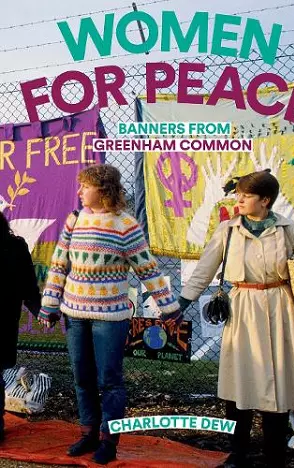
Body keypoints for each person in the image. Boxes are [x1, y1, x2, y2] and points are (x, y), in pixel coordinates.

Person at [178, 170, 294, 468]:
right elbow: (204, 268)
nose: (239, 199)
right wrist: (182, 302)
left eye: (247, 195)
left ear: (265, 200)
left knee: (278, 380)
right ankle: (238, 452)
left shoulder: (287, 229)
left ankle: (274, 455)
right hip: (242, 309)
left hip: (279, 307)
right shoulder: (227, 230)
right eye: (238, 193)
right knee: (238, 381)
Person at [38, 164, 182, 465]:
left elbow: (147, 267)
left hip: (111, 318)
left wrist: (169, 307)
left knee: (110, 381)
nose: (78, 192)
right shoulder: (74, 220)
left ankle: (108, 441)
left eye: (84, 186)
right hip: (74, 315)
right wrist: (49, 305)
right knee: (82, 378)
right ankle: (88, 433)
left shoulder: (124, 224)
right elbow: (59, 266)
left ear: (102, 190)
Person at [0, 212, 41, 442]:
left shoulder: (15, 247)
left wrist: (41, 311)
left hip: (3, 321)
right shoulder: (15, 246)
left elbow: (29, 288)